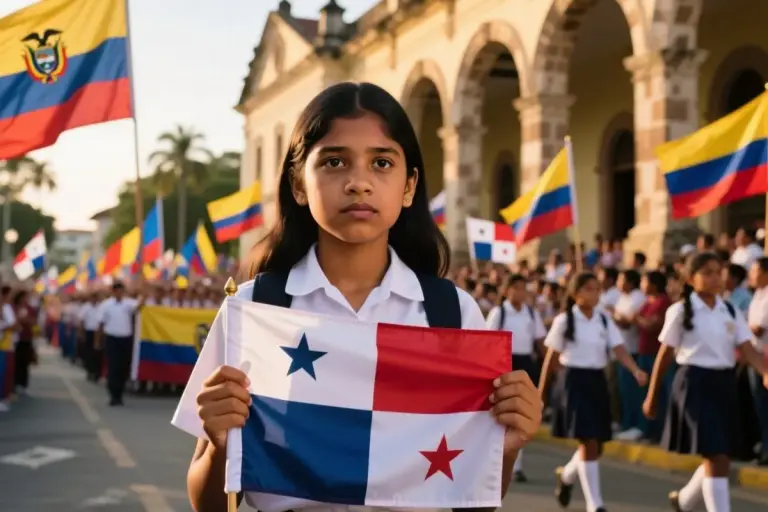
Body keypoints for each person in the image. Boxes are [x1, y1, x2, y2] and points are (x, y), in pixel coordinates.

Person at [171, 82, 543, 512]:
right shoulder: (255, 310)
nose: (358, 183)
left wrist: (509, 444)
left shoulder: (453, 313)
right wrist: (219, 444)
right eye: (334, 162)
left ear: (408, 186)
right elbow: (208, 503)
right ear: (298, 184)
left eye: (382, 162)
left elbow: (471, 496)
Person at [642, 252, 768, 512]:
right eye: (707, 273)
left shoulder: (730, 310)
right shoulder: (679, 311)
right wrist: (652, 395)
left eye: (717, 272)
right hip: (694, 384)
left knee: (720, 456)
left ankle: (685, 501)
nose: (715, 278)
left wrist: (765, 372)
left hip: (724, 384)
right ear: (691, 278)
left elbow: (748, 348)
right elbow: (664, 355)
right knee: (715, 454)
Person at [539, 272, 647, 512]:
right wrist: (541, 393)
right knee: (588, 441)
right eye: (589, 289)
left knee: (596, 446)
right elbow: (550, 359)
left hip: (597, 381)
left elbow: (619, 348)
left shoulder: (603, 319)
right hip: (574, 382)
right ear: (576, 293)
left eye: (597, 289)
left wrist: (635, 369)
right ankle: (595, 504)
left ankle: (566, 476)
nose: (595, 293)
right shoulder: (564, 320)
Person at [486, 273, 547, 483]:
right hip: (504, 364)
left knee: (522, 414)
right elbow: (488, 342)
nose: (520, 292)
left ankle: (517, 466)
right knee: (506, 415)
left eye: (523, 288)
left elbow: (540, 341)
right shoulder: (499, 313)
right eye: (516, 288)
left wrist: (548, 364)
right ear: (507, 290)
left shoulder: (531, 313)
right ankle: (499, 461)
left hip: (526, 365)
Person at [635, 271, 672, 442]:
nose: (642, 284)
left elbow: (652, 325)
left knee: (660, 394)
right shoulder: (646, 302)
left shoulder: (663, 302)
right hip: (644, 351)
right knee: (644, 392)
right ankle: (647, 429)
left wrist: (637, 319)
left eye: (644, 281)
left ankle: (660, 431)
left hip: (657, 353)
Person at [613, 269, 646, 441]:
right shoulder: (622, 298)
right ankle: (626, 423)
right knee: (624, 391)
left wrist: (611, 314)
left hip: (632, 350)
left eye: (621, 279)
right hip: (620, 351)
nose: (618, 282)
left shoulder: (638, 297)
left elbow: (627, 323)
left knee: (633, 392)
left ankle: (636, 425)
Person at [98, 281, 143, 406]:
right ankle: (113, 395)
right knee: (113, 367)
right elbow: (101, 324)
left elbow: (139, 306)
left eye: (121, 291)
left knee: (123, 368)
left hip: (125, 339)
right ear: (113, 292)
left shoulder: (128, 303)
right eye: (117, 291)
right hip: (112, 339)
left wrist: (143, 292)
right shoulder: (106, 305)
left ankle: (120, 393)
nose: (119, 293)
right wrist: (98, 341)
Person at [747, 257, 768, 466]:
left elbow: (758, 328)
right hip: (755, 355)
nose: (751, 275)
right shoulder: (758, 295)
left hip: (764, 357)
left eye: (754, 271)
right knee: (759, 405)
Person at [12, 290, 36, 395]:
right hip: (15, 338)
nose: (25, 299)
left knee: (25, 362)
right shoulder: (13, 307)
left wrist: (24, 320)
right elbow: (13, 320)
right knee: (15, 361)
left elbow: (33, 321)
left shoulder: (29, 308)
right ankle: (14, 383)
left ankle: (23, 384)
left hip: (26, 337)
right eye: (24, 297)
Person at [79, 292, 103, 383]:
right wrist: (81, 333)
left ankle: (97, 373)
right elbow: (81, 320)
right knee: (89, 353)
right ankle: (90, 371)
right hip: (89, 332)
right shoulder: (86, 307)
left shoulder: (101, 307)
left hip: (98, 332)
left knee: (97, 353)